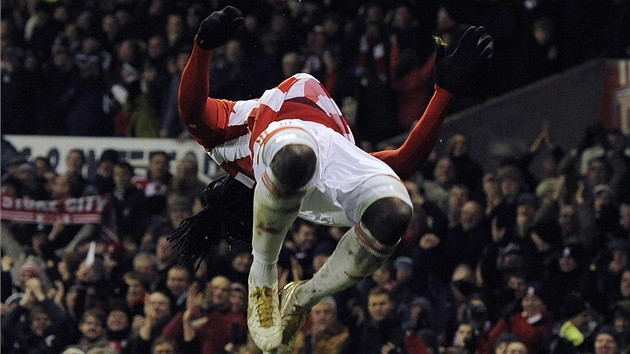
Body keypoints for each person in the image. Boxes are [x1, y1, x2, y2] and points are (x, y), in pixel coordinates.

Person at [172, 6, 493, 352]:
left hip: (311, 157)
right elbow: (403, 160)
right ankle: (262, 274)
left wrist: (202, 46)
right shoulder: (246, 138)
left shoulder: (315, 142)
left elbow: (399, 164)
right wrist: (443, 96)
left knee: (395, 211)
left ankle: (304, 296)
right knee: (296, 155)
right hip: (292, 155)